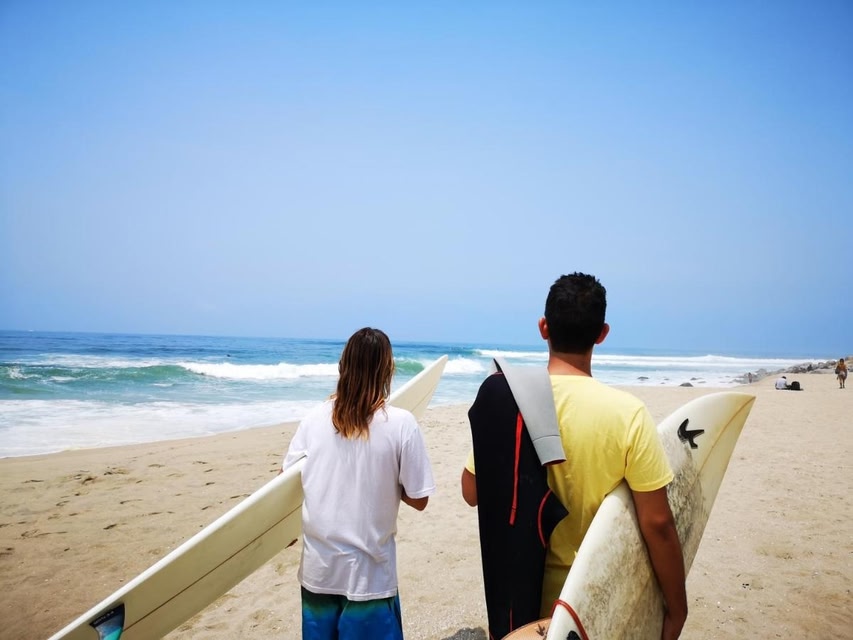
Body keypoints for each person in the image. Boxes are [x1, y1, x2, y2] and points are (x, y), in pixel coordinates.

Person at [461, 272, 687, 640]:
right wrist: (677, 608)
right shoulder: (628, 413)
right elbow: (658, 522)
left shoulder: (512, 405)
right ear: (602, 333)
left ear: (543, 328)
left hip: (523, 604)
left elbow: (471, 492)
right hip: (594, 603)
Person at [282, 327, 435, 640]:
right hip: (369, 576)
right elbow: (420, 499)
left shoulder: (312, 419)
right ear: (388, 370)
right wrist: (388, 480)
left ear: (343, 366)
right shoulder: (401, 424)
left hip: (318, 572)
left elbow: (287, 483)